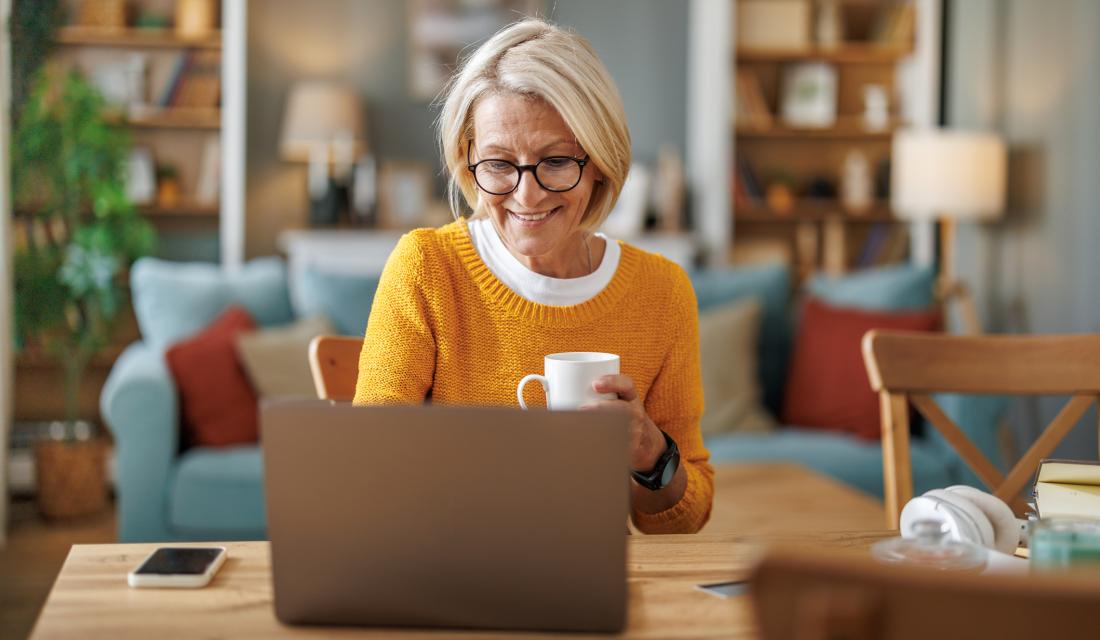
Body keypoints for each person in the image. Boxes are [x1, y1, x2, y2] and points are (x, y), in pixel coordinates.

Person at [354, 18, 712, 534]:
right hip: (448, 566)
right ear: (467, 159)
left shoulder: (662, 293)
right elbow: (367, 475)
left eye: (556, 160)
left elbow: (686, 519)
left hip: (593, 580)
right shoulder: (427, 269)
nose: (527, 196)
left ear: (599, 163)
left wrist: (649, 452)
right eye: (499, 164)